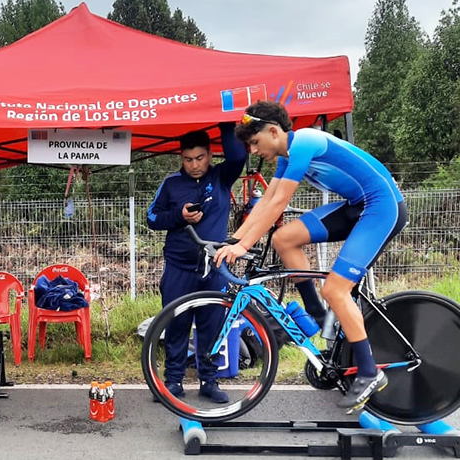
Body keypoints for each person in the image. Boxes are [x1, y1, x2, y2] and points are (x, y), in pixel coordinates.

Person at [215, 101, 407, 412]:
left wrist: (241, 247)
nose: (253, 150)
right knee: (283, 239)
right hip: (357, 204)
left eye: (254, 142)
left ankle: (370, 372)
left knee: (336, 288)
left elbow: (278, 204)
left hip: (381, 206)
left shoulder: (305, 141)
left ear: (273, 131)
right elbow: (265, 205)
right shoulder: (284, 157)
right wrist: (234, 240)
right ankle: (318, 315)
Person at [147, 123, 247, 403]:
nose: (194, 165)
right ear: (181, 158)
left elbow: (238, 157)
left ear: (211, 154)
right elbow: (152, 219)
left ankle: (209, 381)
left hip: (215, 267)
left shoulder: (222, 177)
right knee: (176, 324)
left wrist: (226, 123)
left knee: (211, 326)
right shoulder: (170, 184)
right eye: (188, 159)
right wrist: (178, 215)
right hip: (178, 267)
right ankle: (173, 381)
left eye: (200, 158)